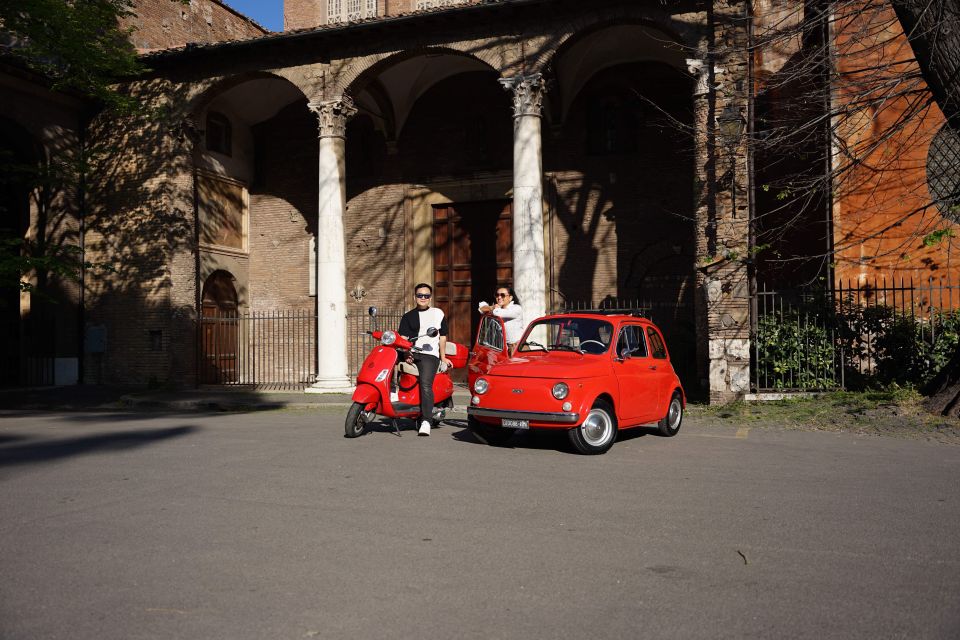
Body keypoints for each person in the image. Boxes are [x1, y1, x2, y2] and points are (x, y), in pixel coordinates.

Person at [398, 283, 452, 437]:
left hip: (429, 355)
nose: (423, 298)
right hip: (412, 352)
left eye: (426, 296)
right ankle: (394, 394)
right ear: (415, 297)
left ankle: (426, 421)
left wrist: (443, 357)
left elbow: (442, 337)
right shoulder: (408, 316)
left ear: (430, 297)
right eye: (420, 295)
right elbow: (403, 338)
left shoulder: (438, 313)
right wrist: (406, 353)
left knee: (425, 383)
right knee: (390, 358)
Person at [478, 286, 523, 354]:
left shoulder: (516, 308)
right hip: (506, 348)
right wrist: (492, 307)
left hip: (518, 347)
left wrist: (493, 308)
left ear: (510, 298)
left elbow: (497, 313)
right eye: (497, 295)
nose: (499, 297)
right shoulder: (497, 308)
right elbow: (481, 308)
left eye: (502, 295)